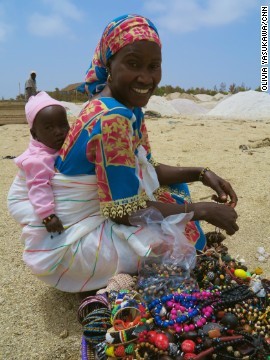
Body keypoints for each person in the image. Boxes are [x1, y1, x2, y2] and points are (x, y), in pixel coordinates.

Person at [8, 14, 238, 293]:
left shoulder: (128, 107)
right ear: (109, 64)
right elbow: (125, 213)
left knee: (175, 189)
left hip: (102, 213)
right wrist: (201, 210)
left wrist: (202, 173)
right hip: (70, 244)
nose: (146, 77)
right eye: (132, 63)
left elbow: (150, 168)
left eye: (154, 66)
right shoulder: (112, 119)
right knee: (178, 243)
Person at [9, 91, 70, 234]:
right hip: (29, 203)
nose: (59, 132)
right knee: (41, 231)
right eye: (49, 128)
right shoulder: (38, 159)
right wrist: (48, 215)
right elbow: (38, 185)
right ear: (34, 134)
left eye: (63, 125)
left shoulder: (54, 145)